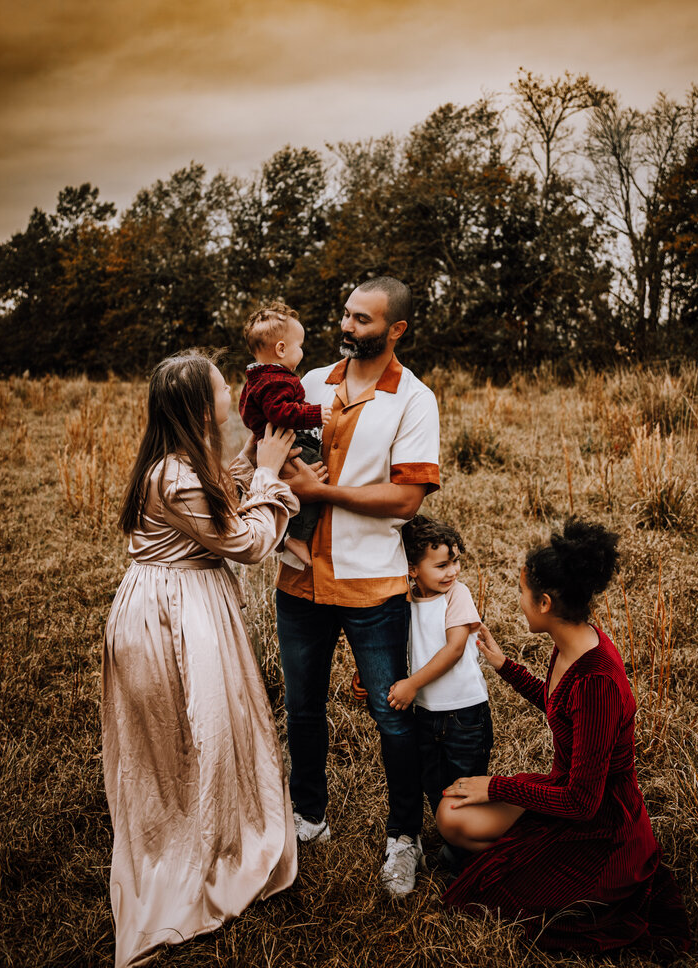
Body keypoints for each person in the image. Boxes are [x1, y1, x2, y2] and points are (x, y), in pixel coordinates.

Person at [102, 352, 301, 968]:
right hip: (173, 615)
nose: (231, 389)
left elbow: (219, 496)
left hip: (174, 600)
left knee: (188, 732)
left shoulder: (180, 463)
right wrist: (269, 478)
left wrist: (250, 462)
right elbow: (244, 542)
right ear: (197, 403)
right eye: (221, 384)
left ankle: (200, 825)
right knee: (194, 726)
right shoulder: (179, 475)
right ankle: (188, 854)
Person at [438, 519, 690, 956]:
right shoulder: (573, 640)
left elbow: (582, 802)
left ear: (547, 601)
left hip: (601, 827)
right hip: (569, 790)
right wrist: (505, 666)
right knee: (452, 814)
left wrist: (496, 786)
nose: (519, 603)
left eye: (522, 593)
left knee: (480, 892)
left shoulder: (597, 682)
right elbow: (560, 707)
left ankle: (530, 860)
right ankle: (520, 853)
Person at [275, 276, 440, 896]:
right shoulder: (310, 382)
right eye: (345, 315)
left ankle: (404, 837)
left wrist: (323, 492)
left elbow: (405, 499)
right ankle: (308, 816)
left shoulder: (414, 399)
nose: (347, 327)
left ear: (396, 329)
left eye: (363, 320)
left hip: (373, 588)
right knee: (303, 708)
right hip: (298, 579)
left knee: (390, 715)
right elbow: (270, 454)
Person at [388, 515, 492, 825]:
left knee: (464, 784)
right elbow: (397, 641)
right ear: (412, 569)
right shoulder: (405, 598)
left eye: (455, 561)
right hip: (426, 713)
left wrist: (412, 684)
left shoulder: (457, 595)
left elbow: (454, 649)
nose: (453, 572)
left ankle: (468, 851)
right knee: (432, 780)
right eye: (442, 565)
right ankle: (451, 835)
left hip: (465, 713)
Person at [239, 302, 332, 568]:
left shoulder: (256, 378)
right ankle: (298, 538)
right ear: (281, 349)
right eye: (299, 345)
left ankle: (286, 532)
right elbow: (279, 412)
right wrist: (313, 414)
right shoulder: (276, 379)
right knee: (315, 482)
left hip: (272, 442)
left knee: (292, 485)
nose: (301, 350)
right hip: (290, 441)